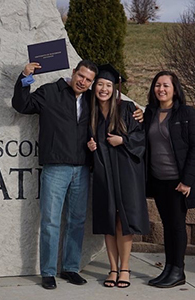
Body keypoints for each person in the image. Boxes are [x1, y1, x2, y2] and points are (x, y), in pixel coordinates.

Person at [12, 60, 143, 290]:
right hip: (56, 167)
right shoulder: (51, 92)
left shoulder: (92, 99)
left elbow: (116, 104)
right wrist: (25, 77)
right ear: (74, 73)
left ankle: (70, 267)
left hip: (82, 168)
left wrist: (141, 112)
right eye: (81, 76)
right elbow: (22, 105)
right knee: (51, 221)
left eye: (89, 80)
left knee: (77, 221)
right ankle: (49, 272)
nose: (83, 82)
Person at [87, 64, 149, 288]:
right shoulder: (91, 111)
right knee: (108, 221)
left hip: (126, 174)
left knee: (124, 221)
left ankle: (125, 268)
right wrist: (91, 146)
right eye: (100, 84)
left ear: (115, 88)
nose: (104, 89)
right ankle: (112, 269)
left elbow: (142, 138)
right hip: (104, 174)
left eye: (108, 85)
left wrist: (123, 140)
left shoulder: (128, 108)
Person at [144, 71, 195, 288]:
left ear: (175, 89)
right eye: (157, 85)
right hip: (158, 179)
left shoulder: (186, 113)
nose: (161, 89)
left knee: (176, 225)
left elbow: (194, 148)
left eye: (166, 85)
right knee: (167, 224)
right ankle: (168, 268)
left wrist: (187, 181)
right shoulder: (150, 112)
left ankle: (178, 271)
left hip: (177, 181)